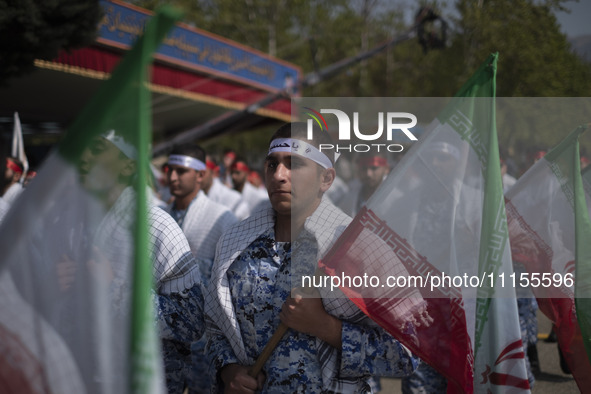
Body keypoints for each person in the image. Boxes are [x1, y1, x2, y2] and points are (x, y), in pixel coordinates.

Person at [204, 122, 419, 393]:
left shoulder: (356, 248)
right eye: (272, 164)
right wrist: (228, 370)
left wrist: (327, 327)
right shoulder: (235, 243)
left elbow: (407, 353)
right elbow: (212, 328)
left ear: (326, 179)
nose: (279, 175)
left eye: (294, 164)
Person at [164, 144, 238, 393]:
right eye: (170, 170)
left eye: (181, 171)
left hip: (205, 343)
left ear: (201, 174)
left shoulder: (221, 219)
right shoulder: (160, 216)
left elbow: (232, 284)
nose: (172, 177)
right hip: (164, 341)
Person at [338, 153, 390, 217]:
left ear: (386, 169)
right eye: (364, 168)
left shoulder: (395, 199)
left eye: (374, 168)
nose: (368, 174)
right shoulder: (349, 195)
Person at [202, 155, 250, 220]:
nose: (233, 176)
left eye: (203, 172)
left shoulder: (235, 199)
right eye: (232, 173)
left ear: (213, 172)